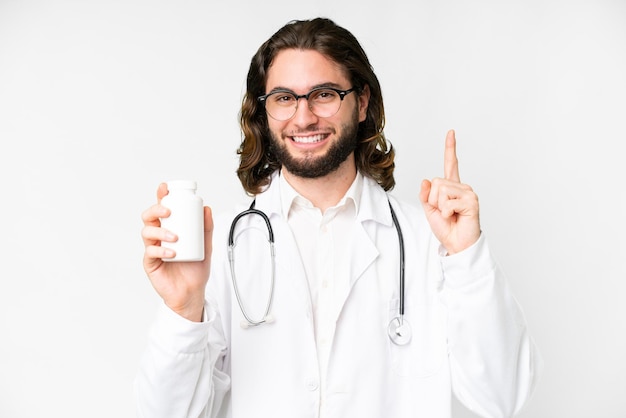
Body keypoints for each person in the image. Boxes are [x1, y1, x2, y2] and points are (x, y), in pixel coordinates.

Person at [136, 17, 540, 418]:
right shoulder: (222, 247)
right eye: (283, 98)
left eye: (324, 94)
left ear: (361, 102)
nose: (304, 116)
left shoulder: (430, 242)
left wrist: (467, 257)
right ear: (264, 111)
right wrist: (184, 310)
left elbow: (502, 397)